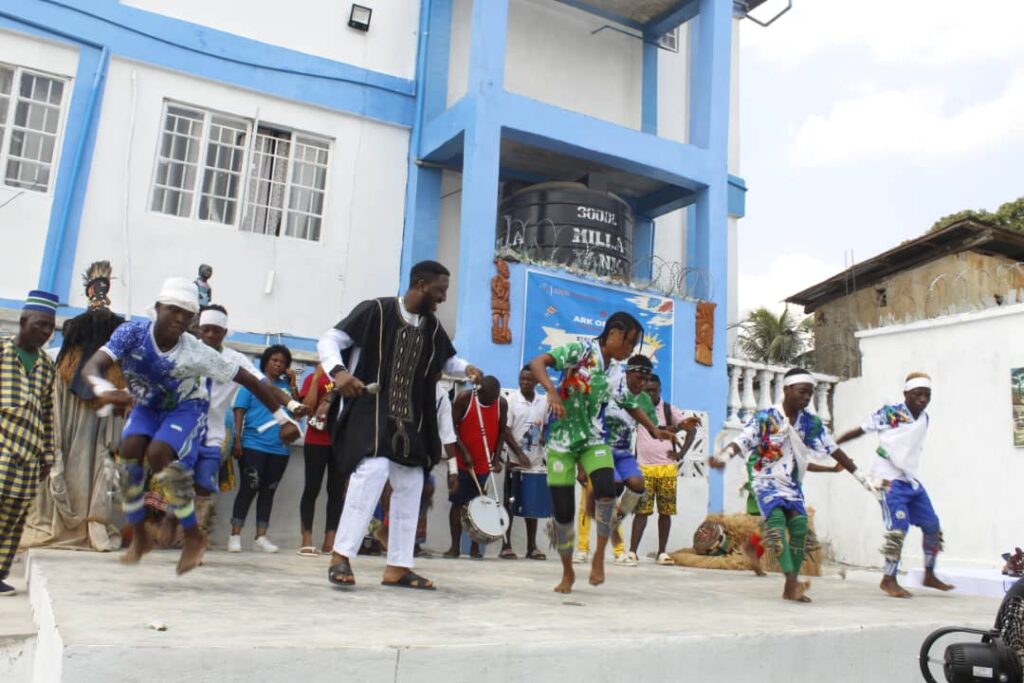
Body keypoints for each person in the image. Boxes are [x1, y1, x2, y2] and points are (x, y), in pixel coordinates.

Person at [81, 278, 292, 574]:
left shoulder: (196, 352)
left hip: (185, 407)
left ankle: (193, 535)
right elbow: (93, 366)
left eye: (187, 314)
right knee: (128, 450)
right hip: (145, 404)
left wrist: (282, 417)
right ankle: (140, 535)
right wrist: (104, 390)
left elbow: (250, 381)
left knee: (158, 453)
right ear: (157, 308)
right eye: (173, 310)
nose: (179, 319)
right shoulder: (131, 333)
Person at [318, 260, 482, 590]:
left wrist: (468, 369)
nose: (443, 298)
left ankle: (398, 567)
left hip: (411, 418)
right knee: (375, 470)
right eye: (440, 290)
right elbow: (330, 340)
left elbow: (447, 359)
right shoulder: (376, 311)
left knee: (411, 482)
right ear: (420, 284)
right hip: (370, 409)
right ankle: (341, 555)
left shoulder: (433, 328)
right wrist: (339, 373)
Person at [528, 312, 675, 593]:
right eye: (630, 343)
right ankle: (568, 572)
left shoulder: (617, 372)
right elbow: (538, 363)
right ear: (614, 335)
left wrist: (655, 430)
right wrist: (552, 391)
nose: (630, 350)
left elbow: (631, 404)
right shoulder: (579, 351)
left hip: (594, 440)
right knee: (564, 513)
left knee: (607, 490)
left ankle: (599, 556)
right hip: (561, 442)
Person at [711, 368, 877, 603]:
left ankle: (764, 558)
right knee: (776, 525)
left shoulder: (810, 424)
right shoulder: (765, 418)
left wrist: (861, 477)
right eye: (802, 392)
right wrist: (723, 458)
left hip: (791, 483)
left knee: (799, 527)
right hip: (764, 480)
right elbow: (741, 441)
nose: (807, 398)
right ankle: (791, 582)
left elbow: (832, 450)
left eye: (810, 393)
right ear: (786, 390)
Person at [22, 263, 126, 551]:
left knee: (103, 459)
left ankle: (94, 521)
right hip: (70, 405)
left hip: (104, 404)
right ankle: (73, 520)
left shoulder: (115, 367)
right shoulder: (58, 361)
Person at [834, 372, 954, 598]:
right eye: (918, 394)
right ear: (906, 394)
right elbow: (861, 430)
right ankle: (888, 579)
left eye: (927, 395)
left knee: (932, 525)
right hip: (888, 479)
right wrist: (834, 444)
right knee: (898, 527)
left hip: (909, 479)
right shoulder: (891, 413)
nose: (922, 399)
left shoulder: (925, 418)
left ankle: (929, 574)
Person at [0, 291, 57, 596]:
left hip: (30, 454)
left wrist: (48, 455)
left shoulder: (47, 367)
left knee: (13, 518)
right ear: (23, 322)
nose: (46, 333)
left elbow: (48, 415)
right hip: (2, 448)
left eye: (50, 328)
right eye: (40, 325)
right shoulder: (2, 352)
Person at [228, 345, 301, 553]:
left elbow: (297, 411)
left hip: (279, 448)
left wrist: (293, 384)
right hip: (253, 444)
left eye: (283, 363)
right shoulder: (251, 384)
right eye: (274, 360)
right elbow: (239, 411)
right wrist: (237, 440)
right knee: (248, 488)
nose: (278, 365)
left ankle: (261, 537)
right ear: (266, 361)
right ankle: (235, 535)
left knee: (268, 492)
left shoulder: (285, 390)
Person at [628, 373, 700, 566]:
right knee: (641, 512)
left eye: (654, 390)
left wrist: (681, 454)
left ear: (660, 390)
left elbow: (691, 429)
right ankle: (632, 552)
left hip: (667, 469)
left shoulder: (669, 409)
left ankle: (662, 552)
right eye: (647, 391)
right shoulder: (638, 408)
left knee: (665, 512)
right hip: (644, 469)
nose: (650, 394)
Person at [444, 376, 507, 559]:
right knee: (457, 503)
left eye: (496, 397)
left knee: (479, 505)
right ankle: (454, 547)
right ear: (481, 392)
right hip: (462, 462)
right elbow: (451, 427)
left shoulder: (501, 404)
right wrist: (463, 452)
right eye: (490, 397)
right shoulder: (465, 398)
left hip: (483, 464)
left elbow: (502, 431)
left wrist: (496, 459)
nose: (493, 401)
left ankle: (475, 548)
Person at [499, 366, 548, 560]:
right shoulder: (511, 400)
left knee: (532, 504)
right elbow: (505, 431)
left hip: (535, 461)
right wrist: (519, 454)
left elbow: (547, 426)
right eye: (522, 379)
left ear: (536, 382)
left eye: (529, 380)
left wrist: (545, 438)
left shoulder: (543, 402)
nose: (525, 383)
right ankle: (506, 545)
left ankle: (532, 547)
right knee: (510, 504)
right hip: (514, 460)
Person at [297, 365, 343, 557]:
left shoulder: (348, 377)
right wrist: (316, 378)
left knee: (336, 491)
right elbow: (307, 408)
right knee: (311, 488)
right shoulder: (314, 377)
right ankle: (306, 538)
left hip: (341, 441)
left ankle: (330, 539)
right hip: (316, 440)